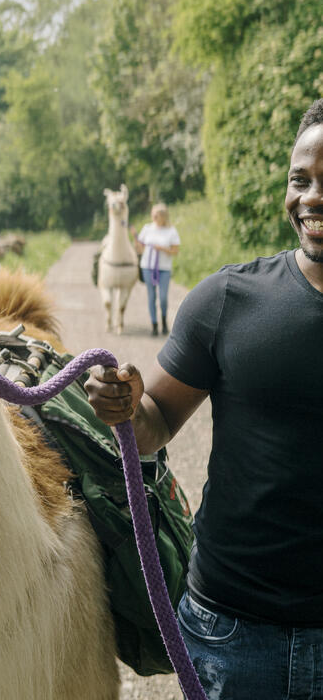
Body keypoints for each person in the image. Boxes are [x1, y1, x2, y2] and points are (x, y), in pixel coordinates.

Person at [85, 96, 323, 700]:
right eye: (301, 179)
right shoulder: (226, 301)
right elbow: (155, 421)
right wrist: (125, 406)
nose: (312, 196)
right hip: (232, 634)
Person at [132, 203, 180, 336]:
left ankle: (164, 321)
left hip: (164, 268)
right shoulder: (147, 228)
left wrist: (162, 248)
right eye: (152, 214)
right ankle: (154, 324)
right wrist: (135, 239)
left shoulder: (171, 231)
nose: (153, 216)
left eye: (156, 215)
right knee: (151, 296)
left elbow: (175, 251)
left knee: (163, 297)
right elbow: (140, 248)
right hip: (148, 266)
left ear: (163, 217)